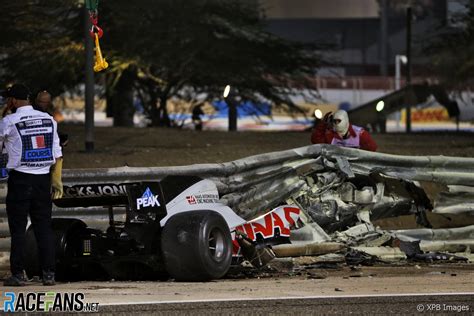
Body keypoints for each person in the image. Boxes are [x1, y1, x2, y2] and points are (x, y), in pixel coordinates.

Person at [0, 84, 63, 286]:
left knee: (18, 229)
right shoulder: (49, 120)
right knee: (43, 228)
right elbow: (57, 154)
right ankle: (49, 274)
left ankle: (18, 274)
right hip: (43, 180)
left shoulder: (9, 121)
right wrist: (56, 181)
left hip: (20, 180)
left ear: (13, 101)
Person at [311, 109, 377, 151]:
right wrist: (323, 124)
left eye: (338, 121)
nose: (336, 124)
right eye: (334, 121)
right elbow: (316, 141)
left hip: (355, 167)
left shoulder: (360, 134)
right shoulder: (330, 134)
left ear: (345, 120)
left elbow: (372, 148)